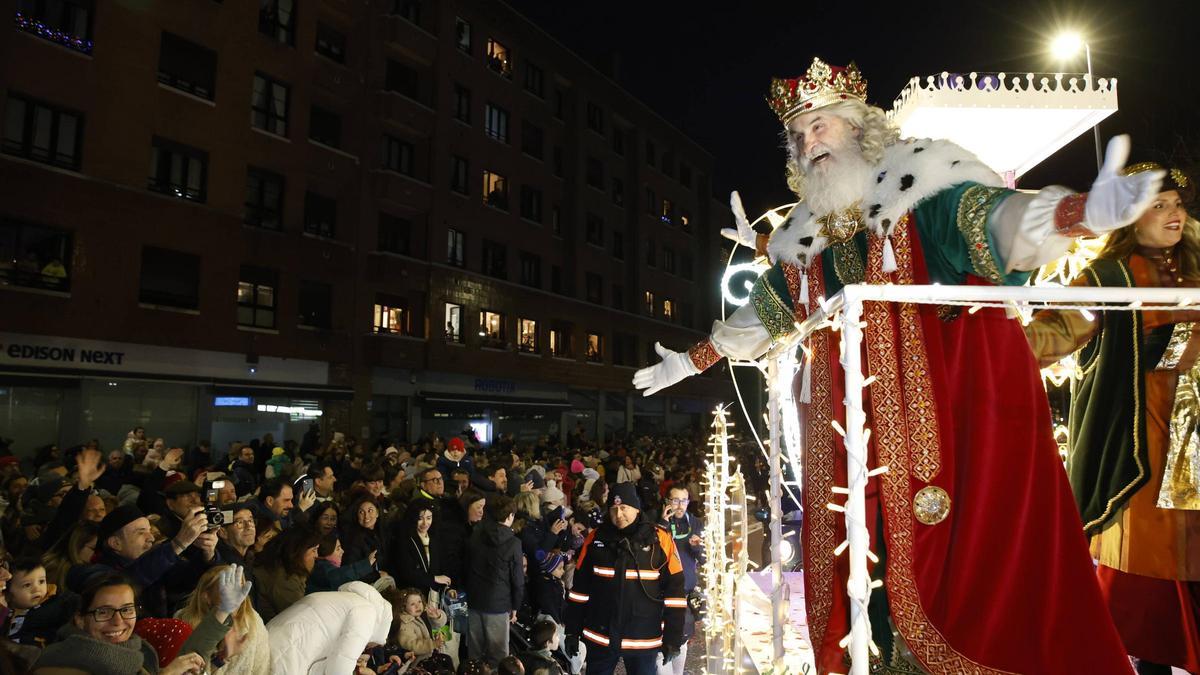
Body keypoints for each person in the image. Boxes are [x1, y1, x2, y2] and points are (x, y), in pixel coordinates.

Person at [632, 57, 1162, 675]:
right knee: (864, 573)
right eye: (799, 136)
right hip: (852, 442)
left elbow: (994, 220)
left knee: (971, 576)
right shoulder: (812, 237)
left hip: (951, 421)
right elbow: (761, 317)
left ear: (858, 127)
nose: (810, 144)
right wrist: (691, 362)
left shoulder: (921, 185)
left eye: (821, 126)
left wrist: (1071, 216)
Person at [1026, 164, 1200, 674]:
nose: (1172, 214)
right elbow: (1054, 333)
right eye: (1158, 205)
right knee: (1152, 567)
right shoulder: (1108, 279)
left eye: (1176, 203)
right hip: (1144, 446)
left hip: (1198, 441)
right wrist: (986, 345)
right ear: (1129, 217)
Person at [31, 567, 248, 674]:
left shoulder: (136, 652)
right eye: (104, 612)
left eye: (127, 610)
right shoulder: (59, 664)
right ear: (80, 619)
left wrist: (222, 611)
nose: (118, 622)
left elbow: (186, 661)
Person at [564, 483, 684, 675]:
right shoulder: (595, 538)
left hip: (643, 639)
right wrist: (571, 630)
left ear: (636, 509)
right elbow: (580, 590)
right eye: (613, 509)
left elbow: (675, 594)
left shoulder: (660, 539)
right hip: (600, 637)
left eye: (623, 508)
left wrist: (673, 638)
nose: (618, 515)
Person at [266, 580, 393, 675]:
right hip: (288, 654)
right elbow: (340, 667)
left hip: (270, 641)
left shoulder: (347, 600)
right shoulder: (367, 612)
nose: (364, 648)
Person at [176, 564, 270, 675]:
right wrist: (220, 659)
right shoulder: (182, 621)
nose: (236, 594)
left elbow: (262, 669)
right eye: (226, 587)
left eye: (240, 587)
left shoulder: (253, 622)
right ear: (206, 596)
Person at [465, 495, 523, 665]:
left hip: (474, 600)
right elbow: (517, 579)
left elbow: (466, 566)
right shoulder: (513, 543)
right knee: (499, 658)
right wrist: (515, 606)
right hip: (498, 604)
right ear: (510, 516)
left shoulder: (476, 535)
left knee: (474, 655)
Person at [656, 487, 702, 675]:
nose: (680, 505)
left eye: (684, 501)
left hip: (684, 595)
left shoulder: (696, 523)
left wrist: (699, 548)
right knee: (661, 647)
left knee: (681, 643)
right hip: (661, 594)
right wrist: (661, 524)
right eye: (675, 500)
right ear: (667, 501)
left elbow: (706, 559)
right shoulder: (656, 522)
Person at [252, 524, 322, 623]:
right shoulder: (284, 579)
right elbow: (299, 620)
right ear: (298, 551)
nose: (316, 555)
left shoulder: (280, 568)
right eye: (314, 550)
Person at [387, 499, 451, 597]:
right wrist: (433, 578)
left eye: (429, 518)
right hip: (411, 596)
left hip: (432, 597)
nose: (425, 523)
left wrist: (447, 589)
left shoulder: (435, 539)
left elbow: (442, 567)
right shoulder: (404, 540)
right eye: (420, 518)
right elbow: (407, 572)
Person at [390, 586, 453, 668]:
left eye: (419, 602)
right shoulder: (405, 623)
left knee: (447, 660)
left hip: (429, 655)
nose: (417, 606)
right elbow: (411, 645)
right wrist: (433, 644)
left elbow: (440, 624)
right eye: (412, 604)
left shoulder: (422, 615)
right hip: (418, 662)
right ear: (404, 607)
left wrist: (437, 616)